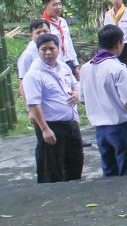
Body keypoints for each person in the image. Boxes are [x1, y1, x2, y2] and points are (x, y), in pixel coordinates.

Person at [79, 25, 127, 177]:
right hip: (121, 127)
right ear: (119, 43)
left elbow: (82, 99)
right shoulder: (117, 68)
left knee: (109, 171)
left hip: (100, 129)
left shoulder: (86, 68)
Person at [24, 33, 83, 183]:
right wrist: (45, 129)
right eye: (44, 49)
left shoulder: (63, 67)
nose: (48, 52)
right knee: (52, 170)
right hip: (51, 126)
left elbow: (76, 84)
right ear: (38, 51)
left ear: (58, 49)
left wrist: (76, 93)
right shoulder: (34, 74)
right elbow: (33, 104)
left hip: (70, 124)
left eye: (51, 48)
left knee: (74, 165)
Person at [41, 0, 79, 77]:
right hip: (55, 66)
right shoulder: (43, 25)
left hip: (69, 63)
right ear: (45, 6)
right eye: (54, 5)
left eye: (59, 4)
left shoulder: (63, 21)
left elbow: (69, 43)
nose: (58, 7)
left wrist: (76, 64)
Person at [16, 19, 51, 101]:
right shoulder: (28, 55)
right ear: (31, 35)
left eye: (45, 31)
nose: (42, 34)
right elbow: (23, 82)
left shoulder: (53, 49)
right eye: (38, 32)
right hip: (38, 97)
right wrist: (29, 105)